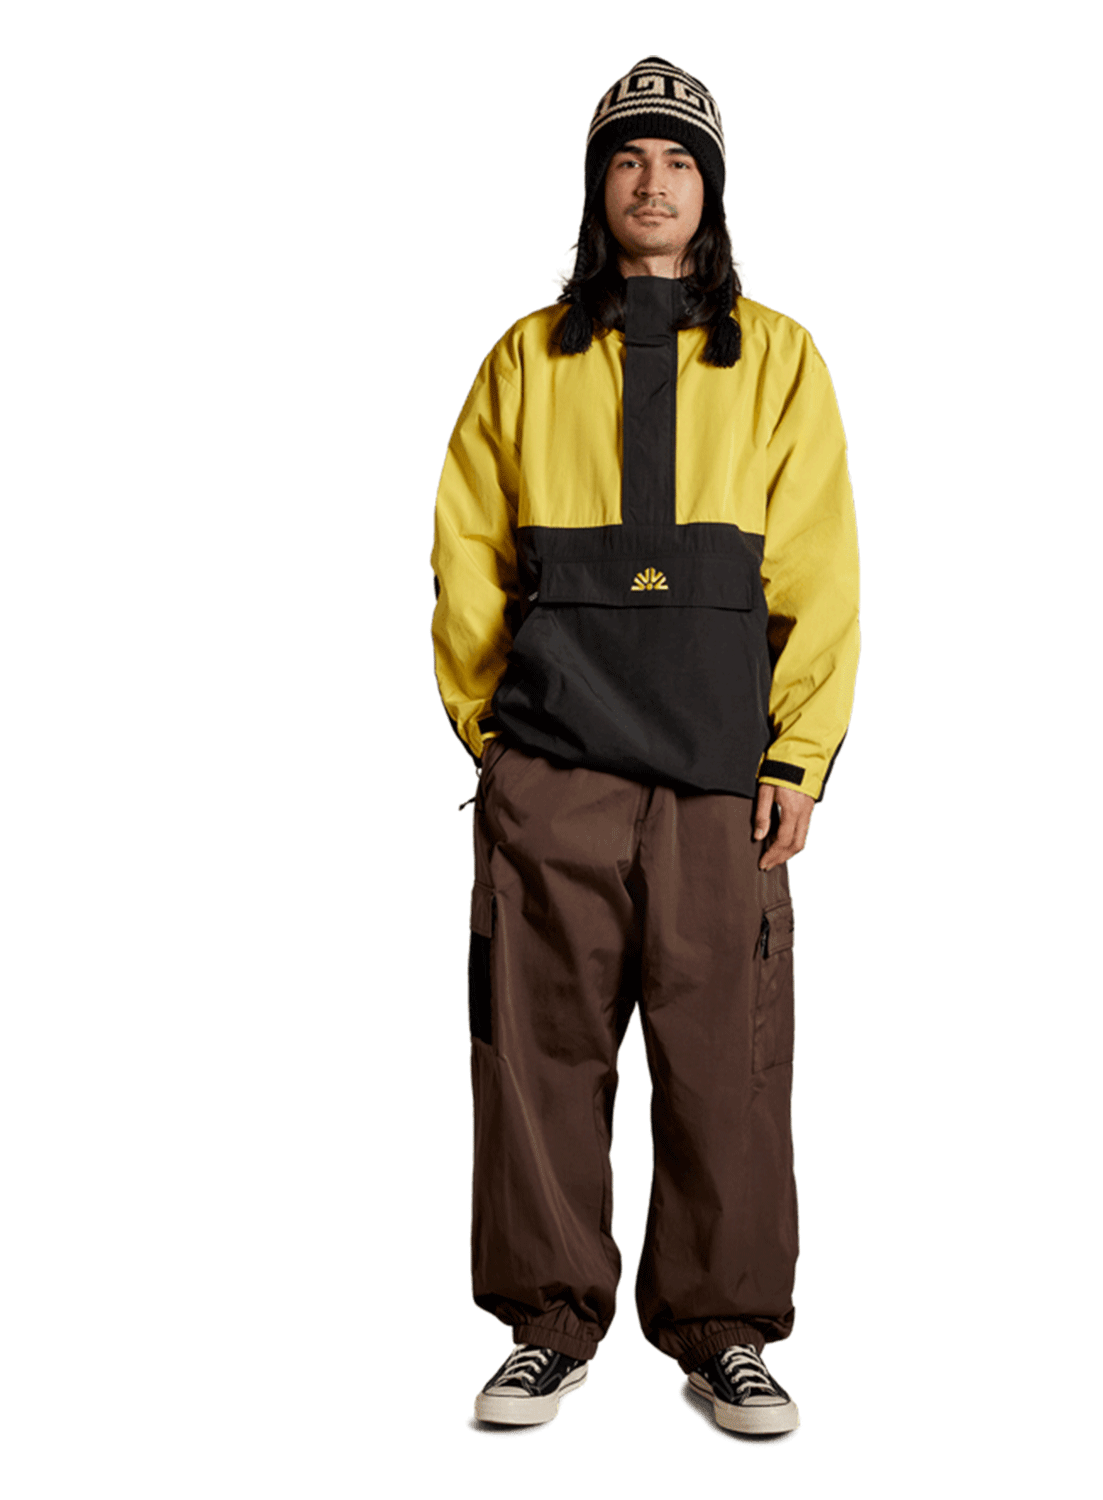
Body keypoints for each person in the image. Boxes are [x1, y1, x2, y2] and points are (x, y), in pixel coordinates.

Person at [429, 55, 860, 1435]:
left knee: (728, 1065)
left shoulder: (778, 360)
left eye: (678, 160)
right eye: (628, 159)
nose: (653, 182)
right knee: (538, 1059)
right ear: (596, 186)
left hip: (720, 784)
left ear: (710, 189)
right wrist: (497, 740)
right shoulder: (527, 357)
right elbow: (466, 556)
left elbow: (819, 570)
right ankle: (547, 1324)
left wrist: (797, 756)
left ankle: (724, 1331)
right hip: (553, 771)